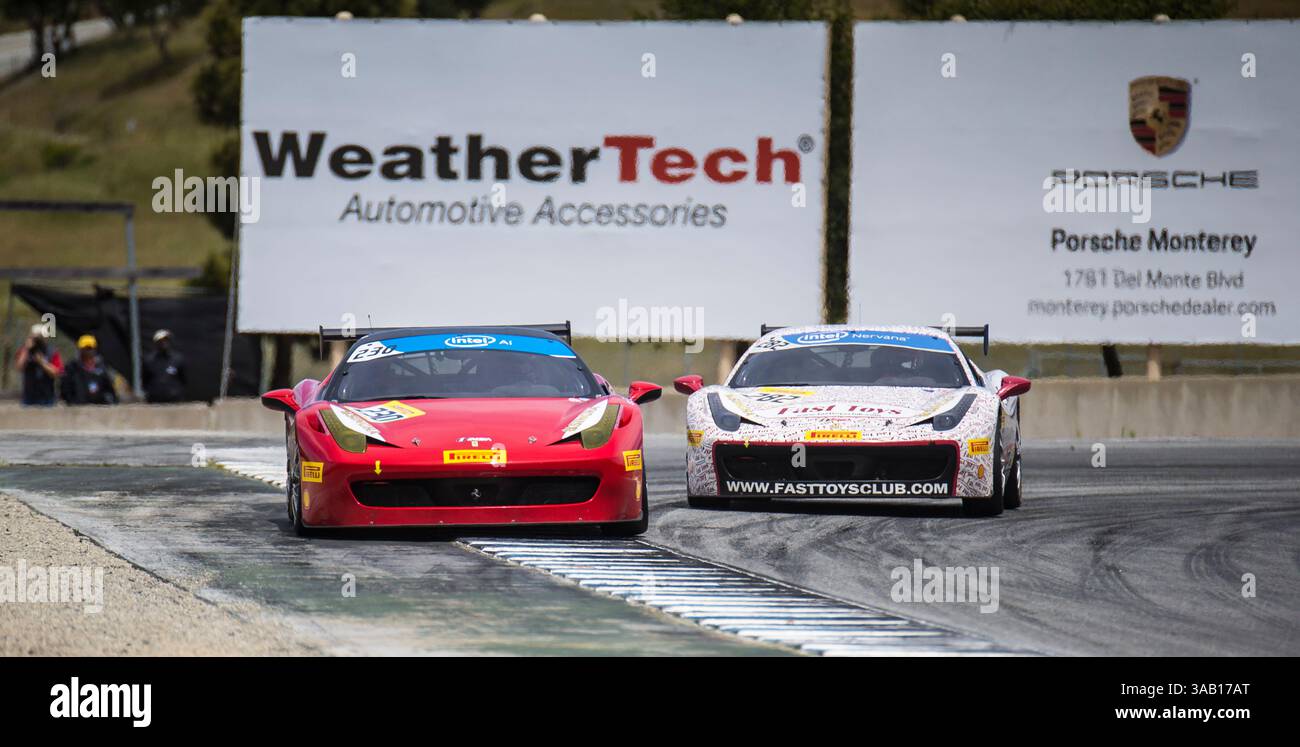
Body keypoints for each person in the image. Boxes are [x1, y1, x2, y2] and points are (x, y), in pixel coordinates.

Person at [60, 334, 118, 405]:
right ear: (80, 349)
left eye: (90, 348)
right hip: (77, 407)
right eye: (85, 348)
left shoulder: (102, 368)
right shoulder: (71, 368)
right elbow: (65, 388)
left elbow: (109, 390)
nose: (87, 351)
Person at [14, 323, 63, 406]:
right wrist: (26, 349)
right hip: (28, 397)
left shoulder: (52, 352)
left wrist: (42, 362)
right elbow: (19, 367)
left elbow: (55, 373)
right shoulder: (25, 351)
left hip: (47, 397)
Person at [142, 329, 187, 403]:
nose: (164, 343)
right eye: (161, 341)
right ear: (156, 343)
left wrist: (176, 392)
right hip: (155, 400)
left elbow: (183, 379)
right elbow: (145, 379)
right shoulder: (149, 360)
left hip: (174, 399)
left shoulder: (177, 359)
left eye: (166, 340)